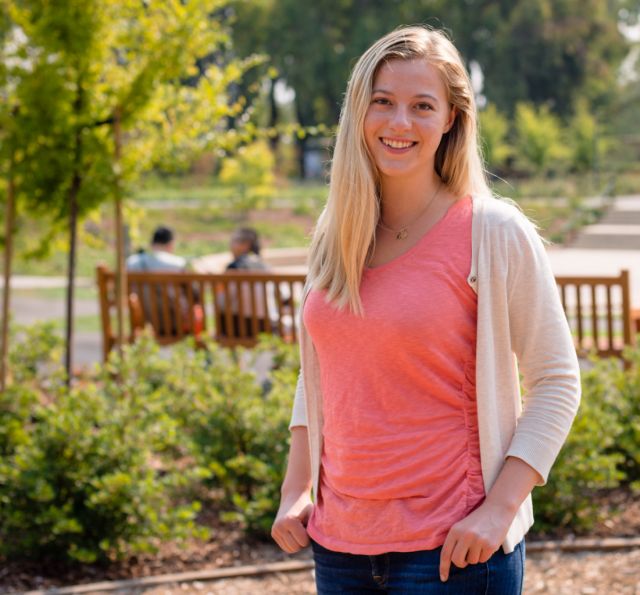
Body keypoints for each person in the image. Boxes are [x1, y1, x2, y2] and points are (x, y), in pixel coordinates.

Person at [271, 26, 581, 594]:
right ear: (358, 110)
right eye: (382, 101)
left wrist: (499, 510)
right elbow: (321, 370)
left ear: (451, 119)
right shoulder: (337, 234)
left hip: (452, 553)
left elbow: (557, 381)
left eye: (422, 106)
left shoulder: (493, 232)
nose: (399, 123)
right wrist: (296, 489)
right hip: (339, 547)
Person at [126, 226, 196, 335]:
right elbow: (194, 294)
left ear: (152, 243)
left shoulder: (131, 262)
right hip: (175, 323)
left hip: (143, 323)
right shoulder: (178, 264)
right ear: (171, 244)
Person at [217, 227, 273, 338]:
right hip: (265, 325)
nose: (230, 246)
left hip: (239, 327)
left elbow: (222, 303)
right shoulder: (266, 267)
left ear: (245, 245)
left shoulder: (233, 268)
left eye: (233, 242)